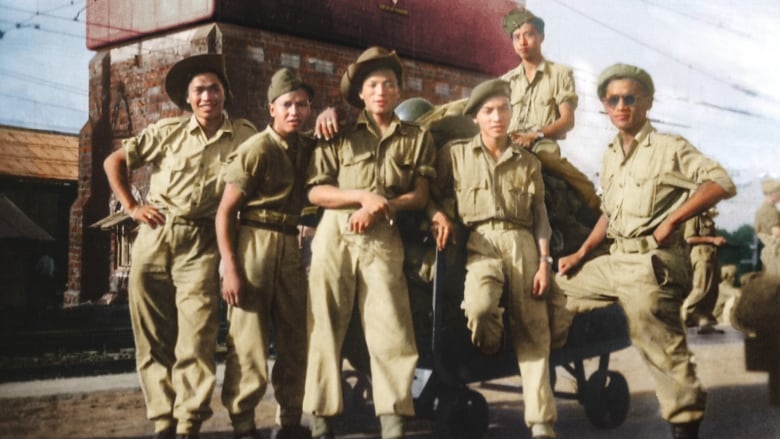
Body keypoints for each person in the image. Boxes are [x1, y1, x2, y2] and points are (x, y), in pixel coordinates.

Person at [555, 63, 736, 439]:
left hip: (650, 264)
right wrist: (582, 253)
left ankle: (683, 426)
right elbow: (608, 212)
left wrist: (672, 221)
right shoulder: (610, 153)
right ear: (605, 105)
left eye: (630, 98)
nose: (622, 106)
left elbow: (721, 181)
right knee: (553, 291)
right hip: (613, 259)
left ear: (647, 102)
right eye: (613, 100)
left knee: (660, 349)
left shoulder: (669, 148)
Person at [103, 54, 256, 439]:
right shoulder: (167, 131)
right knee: (152, 337)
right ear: (188, 100)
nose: (208, 97)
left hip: (202, 242)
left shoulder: (244, 135)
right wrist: (133, 206)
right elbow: (113, 162)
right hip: (155, 237)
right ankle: (163, 422)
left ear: (226, 94)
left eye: (215, 89)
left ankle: (188, 421)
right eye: (199, 90)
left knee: (198, 335)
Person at [302, 46, 435, 439]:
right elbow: (316, 193)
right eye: (373, 85)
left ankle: (393, 423)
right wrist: (360, 197)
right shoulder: (338, 131)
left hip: (382, 234)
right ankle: (322, 421)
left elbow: (421, 195)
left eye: (389, 85)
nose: (381, 91)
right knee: (324, 325)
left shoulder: (416, 137)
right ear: (360, 93)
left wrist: (381, 206)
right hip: (335, 234)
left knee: (391, 327)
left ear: (398, 92)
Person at [430, 78, 558, 439]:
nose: (497, 117)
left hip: (523, 244)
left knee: (535, 333)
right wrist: (435, 215)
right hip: (480, 242)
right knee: (480, 308)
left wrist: (545, 263)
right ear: (476, 118)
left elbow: (541, 218)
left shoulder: (528, 162)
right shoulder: (454, 155)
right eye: (488, 111)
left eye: (503, 109)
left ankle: (542, 424)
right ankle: (494, 349)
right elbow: (430, 195)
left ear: (511, 113)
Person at [216, 68, 315, 439]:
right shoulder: (256, 148)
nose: (296, 112)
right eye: (287, 105)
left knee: (295, 338)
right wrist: (230, 267)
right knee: (248, 341)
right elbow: (225, 212)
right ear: (271, 108)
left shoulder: (306, 147)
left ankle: (289, 420)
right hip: (253, 241)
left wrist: (330, 116)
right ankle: (243, 424)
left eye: (303, 105)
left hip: (290, 243)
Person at [500, 7, 600, 211]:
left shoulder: (559, 74)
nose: (522, 42)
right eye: (516, 37)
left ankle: (593, 204)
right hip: (509, 140)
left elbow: (567, 121)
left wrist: (534, 135)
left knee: (554, 164)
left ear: (541, 37)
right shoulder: (506, 81)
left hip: (541, 142)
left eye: (528, 35)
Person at [681, 208, 727, 334]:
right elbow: (689, 238)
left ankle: (704, 323)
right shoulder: (694, 216)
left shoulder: (707, 216)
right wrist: (712, 240)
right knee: (701, 289)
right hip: (701, 257)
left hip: (711, 256)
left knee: (712, 290)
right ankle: (683, 316)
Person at [754, 178, 780, 276]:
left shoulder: (769, 209)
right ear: (773, 193)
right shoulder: (769, 210)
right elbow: (777, 233)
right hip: (775, 252)